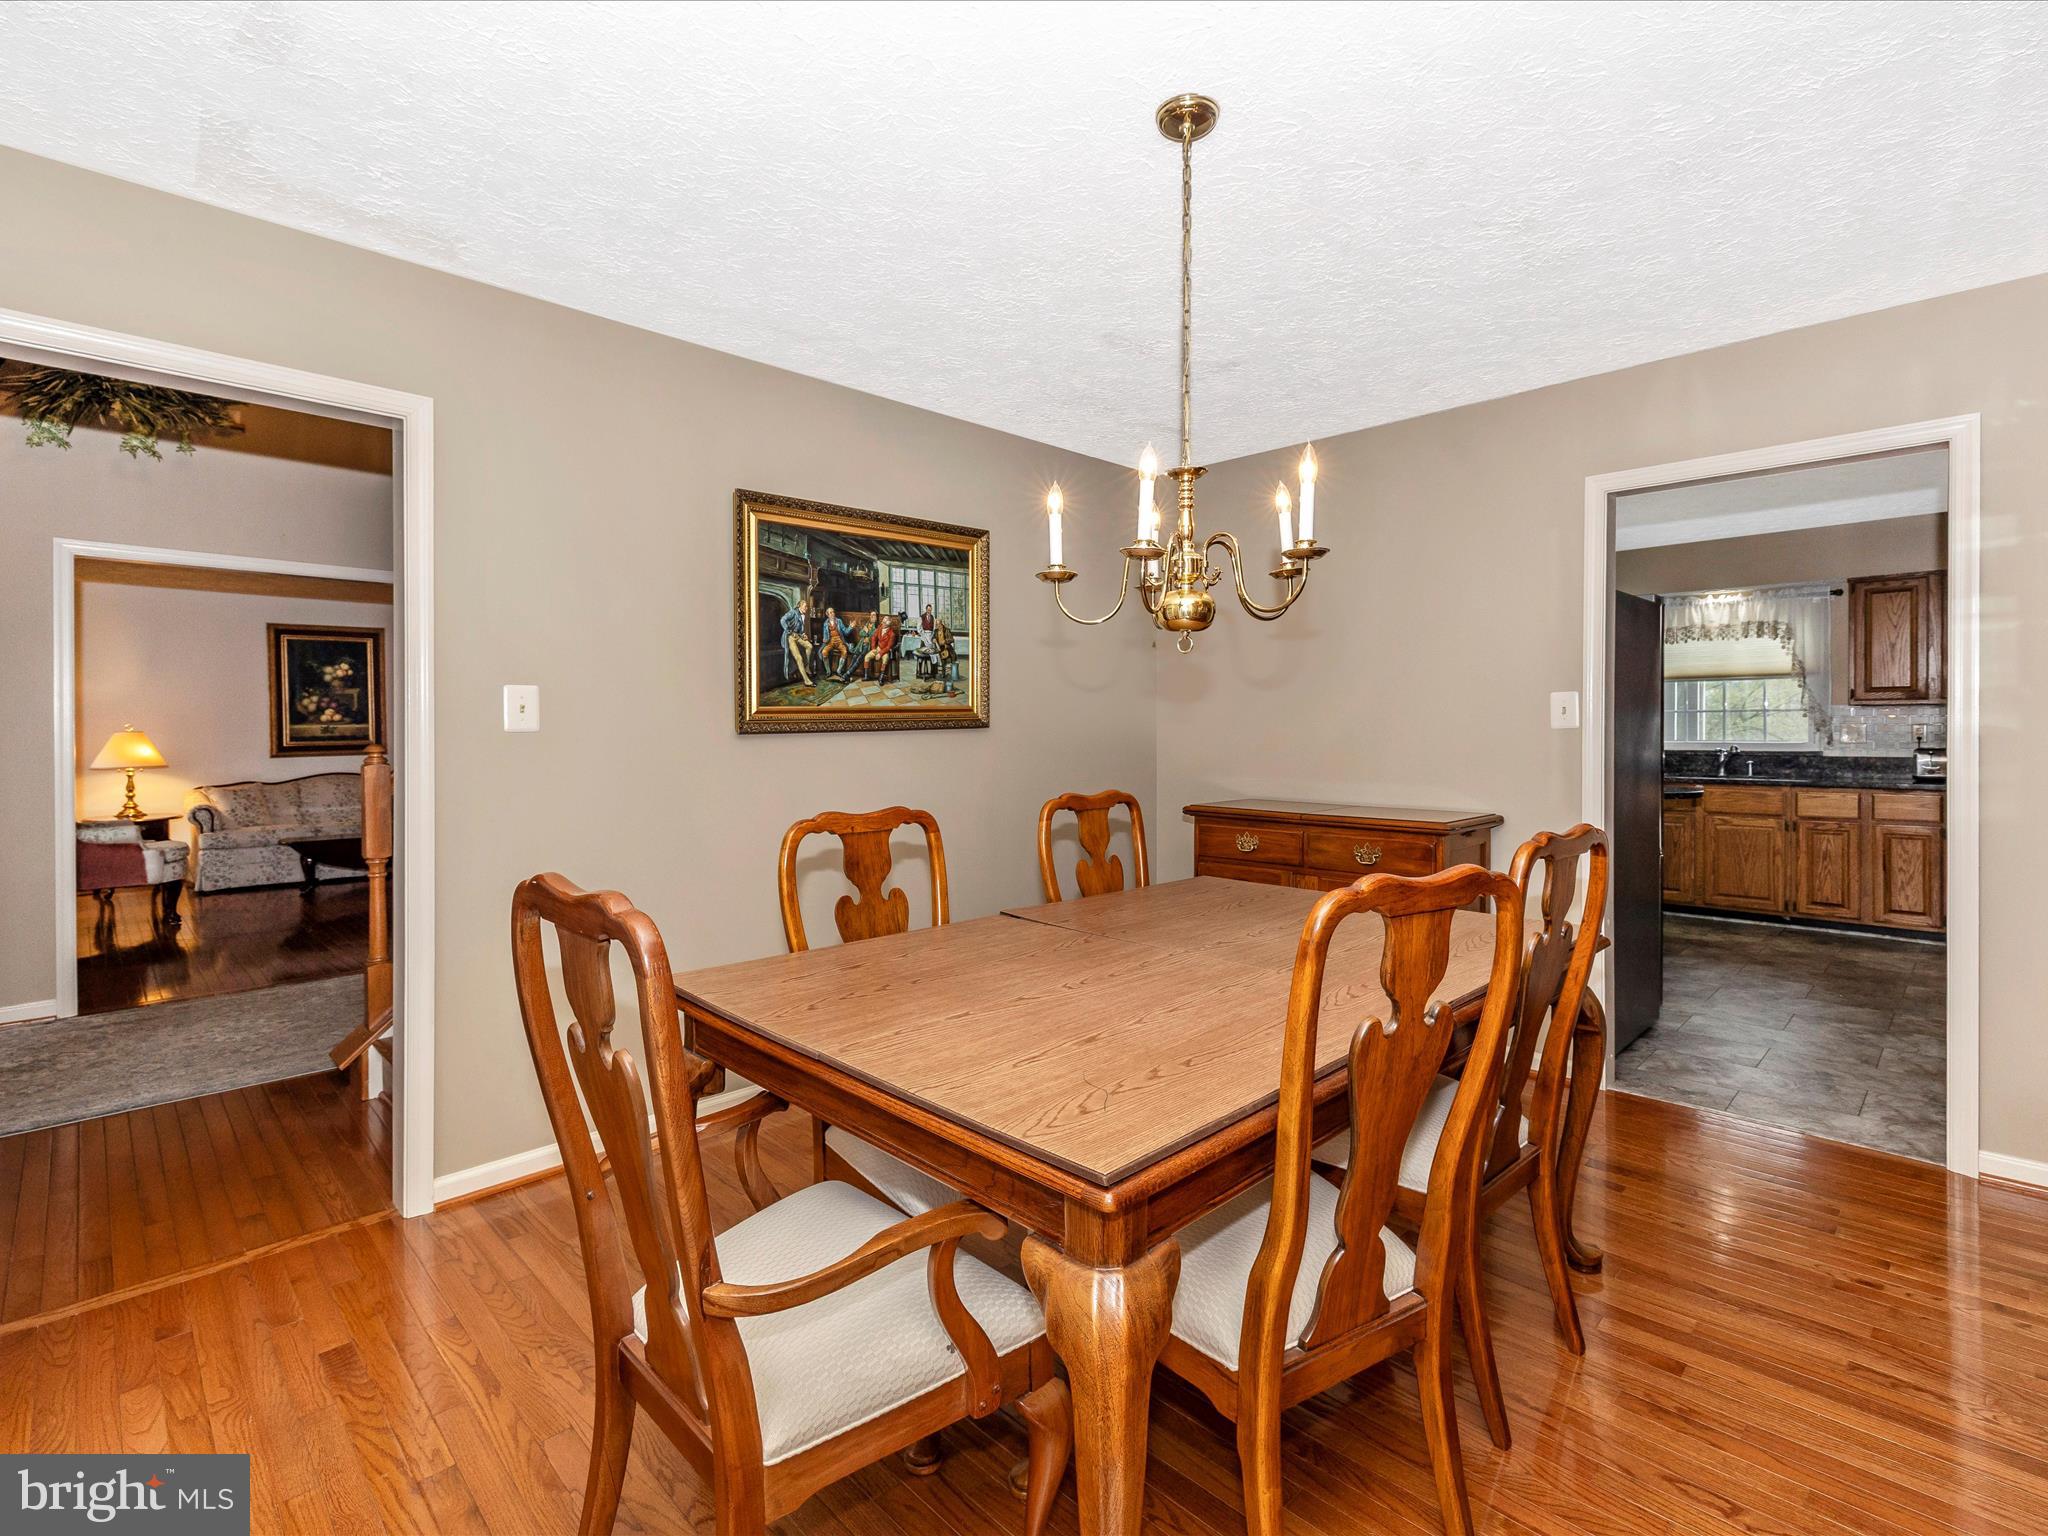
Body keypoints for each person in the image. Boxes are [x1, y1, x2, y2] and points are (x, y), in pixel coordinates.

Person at [779, 598, 815, 687]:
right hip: (789, 637)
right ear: (800, 606)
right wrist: (789, 631)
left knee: (809, 646)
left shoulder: (803, 615)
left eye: (807, 607)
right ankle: (806, 680)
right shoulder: (793, 612)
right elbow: (782, 620)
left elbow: (800, 629)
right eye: (805, 606)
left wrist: (803, 635)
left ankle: (806, 666)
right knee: (799, 657)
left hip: (797, 636)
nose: (806, 608)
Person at [859, 611, 902, 680]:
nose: (882, 623)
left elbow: (889, 647)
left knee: (885, 660)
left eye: (884, 623)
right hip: (877, 648)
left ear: (888, 624)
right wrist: (873, 648)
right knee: (866, 657)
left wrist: (880, 653)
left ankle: (881, 677)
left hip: (885, 650)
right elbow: (873, 638)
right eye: (882, 621)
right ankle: (866, 676)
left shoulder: (892, 634)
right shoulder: (879, 628)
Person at [818, 606, 854, 678]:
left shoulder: (839, 621)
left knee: (845, 651)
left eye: (833, 612)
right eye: (830, 612)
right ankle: (828, 672)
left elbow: (845, 632)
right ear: (827, 614)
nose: (833, 614)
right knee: (824, 652)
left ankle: (839, 670)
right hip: (830, 641)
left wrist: (850, 627)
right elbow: (825, 635)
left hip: (839, 640)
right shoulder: (825, 624)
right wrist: (824, 639)